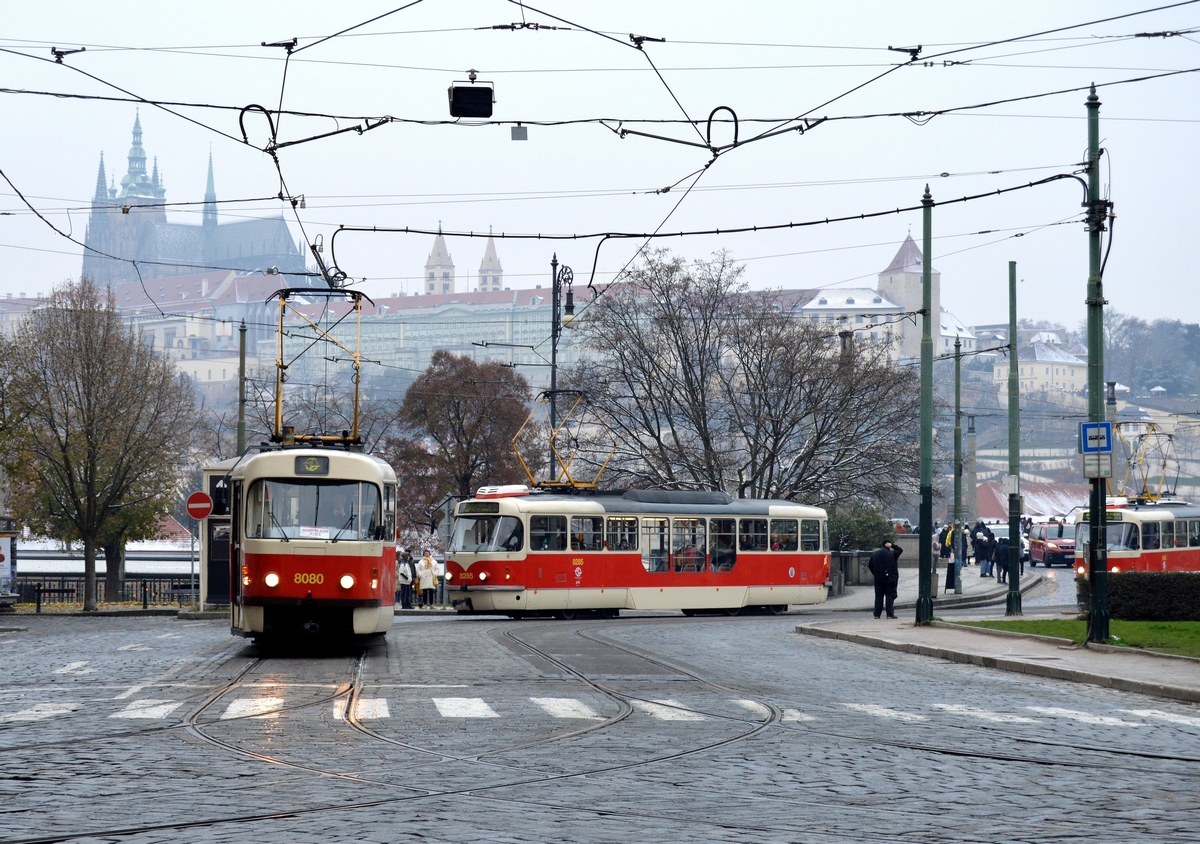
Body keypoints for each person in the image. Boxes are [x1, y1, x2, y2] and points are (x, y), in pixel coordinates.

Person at [867, 538, 902, 620]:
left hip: (879, 578)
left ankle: (877, 614)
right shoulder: (892, 554)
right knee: (889, 596)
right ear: (888, 545)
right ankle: (889, 614)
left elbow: (870, 565)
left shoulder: (875, 554)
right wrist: (893, 545)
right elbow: (900, 550)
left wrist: (876, 574)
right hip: (890, 579)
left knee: (879, 597)